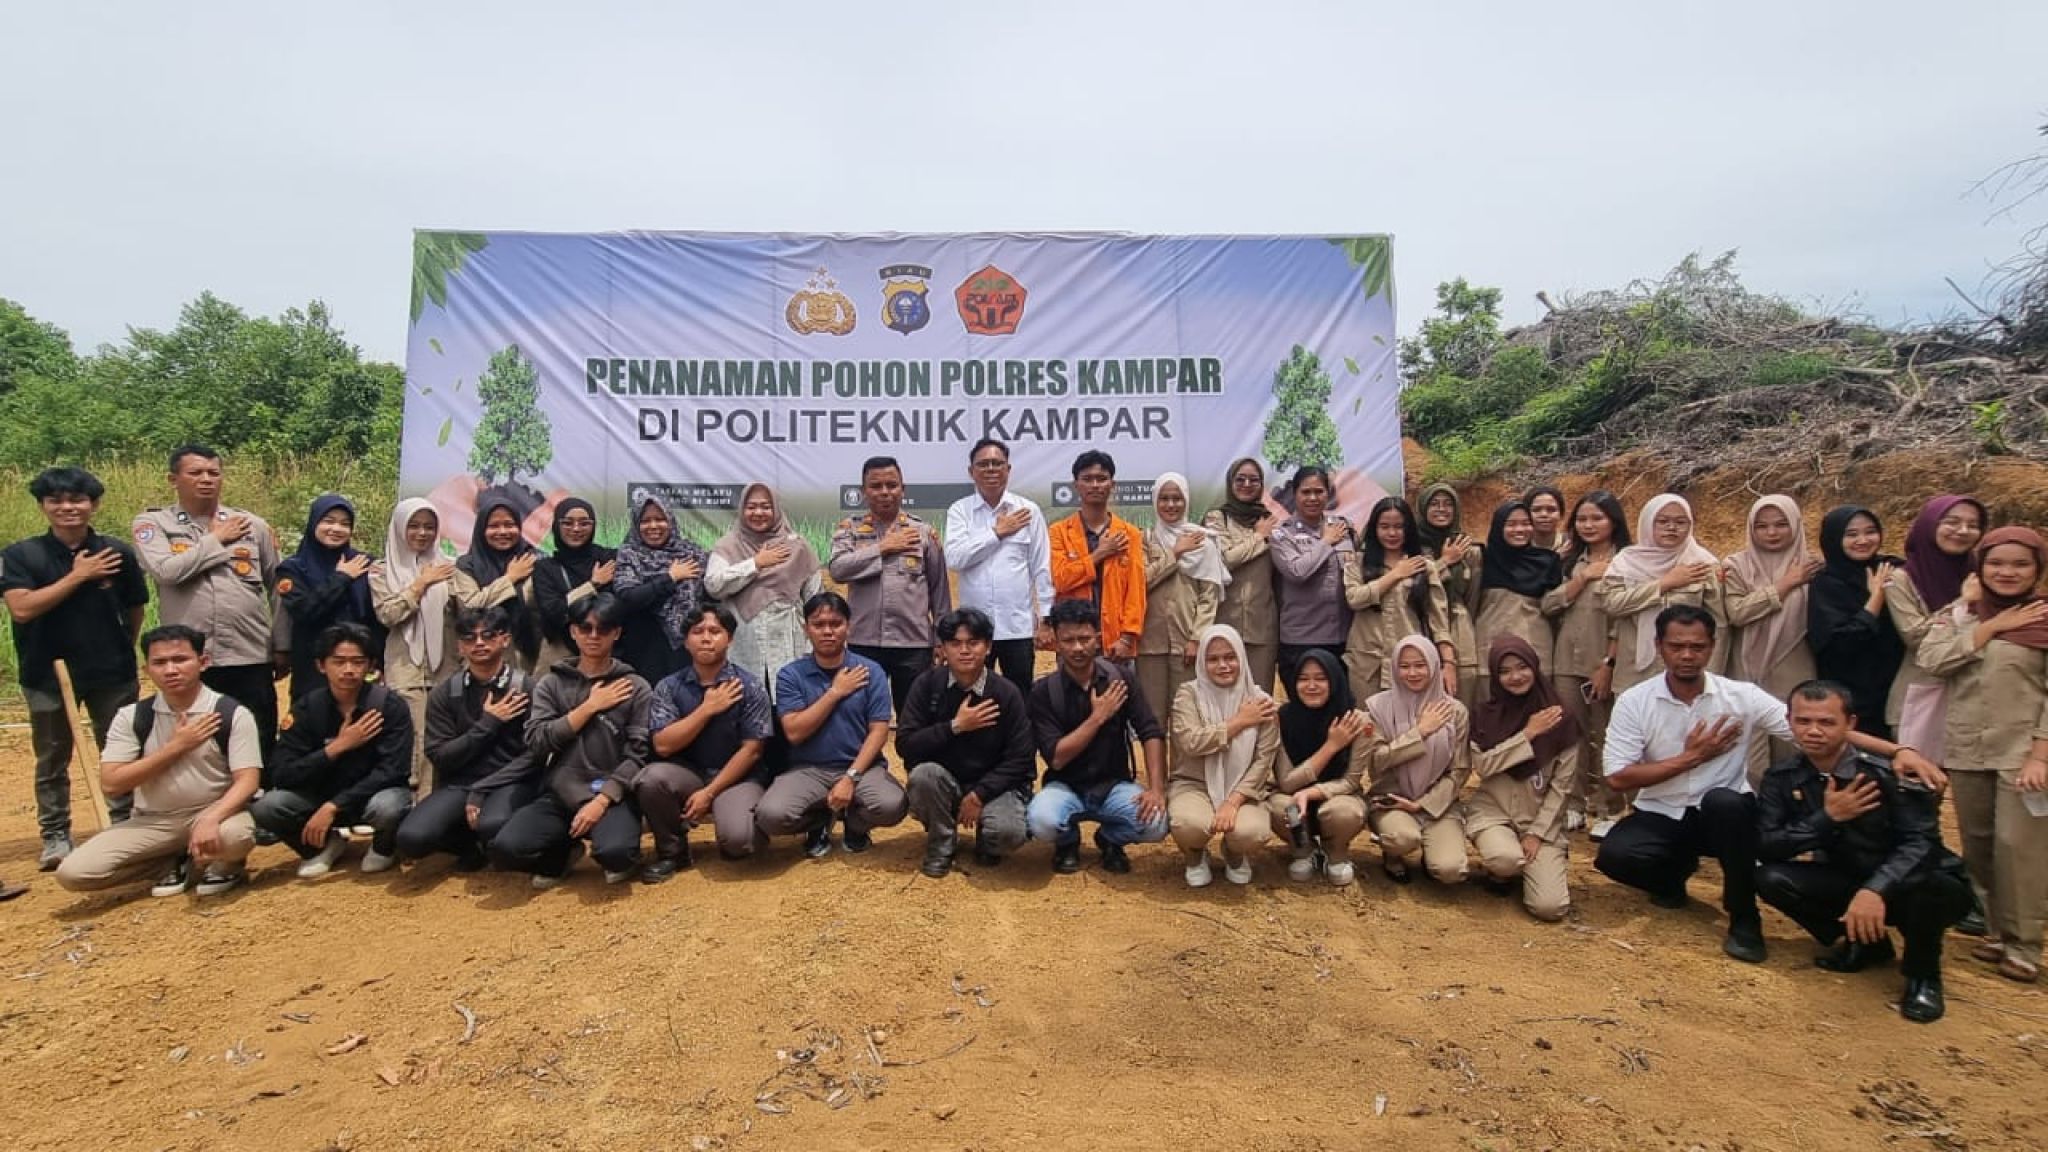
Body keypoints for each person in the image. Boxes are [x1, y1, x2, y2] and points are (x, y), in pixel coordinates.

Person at [1595, 605, 1936, 963]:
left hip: (1726, 817)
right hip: (1661, 810)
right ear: (1659, 646)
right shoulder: (1636, 701)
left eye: (1697, 646)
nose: (1687, 656)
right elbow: (1618, 777)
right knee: (1616, 856)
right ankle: (1671, 879)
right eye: (1676, 646)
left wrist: (1900, 750)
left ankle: (1744, 917)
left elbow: (1813, 731)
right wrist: (1692, 757)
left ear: (1713, 645)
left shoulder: (1741, 696)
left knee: (1725, 803)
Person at [1756, 681, 1971, 1023]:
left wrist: (1876, 889)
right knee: (1770, 879)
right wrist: (1826, 818)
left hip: (1912, 884)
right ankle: (1866, 944)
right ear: (1790, 721)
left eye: (1826, 722)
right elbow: (1768, 845)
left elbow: (1921, 844)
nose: (1814, 731)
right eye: (1804, 721)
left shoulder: (1890, 772)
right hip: (1848, 875)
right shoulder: (1783, 777)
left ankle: (1923, 976)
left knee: (1935, 887)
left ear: (1850, 724)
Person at [1916, 526, 2048, 983]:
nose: (2006, 573)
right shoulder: (1962, 614)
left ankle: (2025, 944)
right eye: (1996, 563)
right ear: (1980, 568)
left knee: (2020, 848)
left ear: (2037, 570)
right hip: (1968, 748)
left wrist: (2041, 756)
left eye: (2019, 565)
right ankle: (1996, 932)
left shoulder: (2043, 618)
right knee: (1980, 846)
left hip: (2023, 753)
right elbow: (1930, 659)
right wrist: (1988, 625)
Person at [4, 466, 148, 869]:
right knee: (52, 756)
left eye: (77, 499)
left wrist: (123, 647)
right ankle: (55, 833)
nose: (68, 507)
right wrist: (78, 575)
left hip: (110, 671)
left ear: (94, 504)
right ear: (43, 506)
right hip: (46, 673)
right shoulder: (21, 555)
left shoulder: (117, 553)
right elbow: (22, 608)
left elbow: (135, 608)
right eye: (57, 501)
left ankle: (124, 822)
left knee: (121, 749)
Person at [53, 625, 260, 899]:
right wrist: (175, 748)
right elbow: (112, 784)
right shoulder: (132, 717)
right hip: (153, 823)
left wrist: (212, 817)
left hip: (215, 813)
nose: (171, 670)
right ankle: (177, 862)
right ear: (146, 669)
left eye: (180, 660)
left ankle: (225, 863)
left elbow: (248, 781)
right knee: (74, 873)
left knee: (236, 837)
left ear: (203, 662)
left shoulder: (230, 713)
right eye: (160, 662)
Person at [131, 444, 284, 765]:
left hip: (249, 652)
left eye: (213, 473)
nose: (206, 479)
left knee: (259, 736)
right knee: (198, 740)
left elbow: (278, 586)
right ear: (173, 479)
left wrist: (282, 644)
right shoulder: (154, 525)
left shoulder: (251, 525)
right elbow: (166, 571)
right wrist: (215, 539)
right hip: (191, 659)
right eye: (195, 472)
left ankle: (260, 809)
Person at [491, 594, 654, 887]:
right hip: (559, 795)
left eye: (603, 629)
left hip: (611, 795)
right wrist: (589, 707)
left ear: (616, 633)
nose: (594, 636)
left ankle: (623, 835)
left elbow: (638, 755)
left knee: (615, 855)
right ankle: (563, 853)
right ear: (573, 632)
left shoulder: (636, 686)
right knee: (506, 849)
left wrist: (603, 799)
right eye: (585, 627)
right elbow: (538, 741)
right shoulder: (551, 684)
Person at [252, 623, 416, 878]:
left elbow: (394, 770)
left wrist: (334, 806)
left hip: (369, 796)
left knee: (392, 805)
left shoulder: (389, 706)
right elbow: (281, 772)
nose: (348, 670)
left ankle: (384, 848)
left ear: (370, 665)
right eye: (338, 662)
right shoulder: (306, 709)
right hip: (317, 796)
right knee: (268, 806)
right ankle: (322, 846)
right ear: (321, 665)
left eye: (357, 662)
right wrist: (336, 748)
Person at [1027, 598, 1170, 874]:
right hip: (1065, 786)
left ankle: (1110, 839)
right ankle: (1067, 841)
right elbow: (1056, 758)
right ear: (1055, 641)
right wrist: (1097, 718)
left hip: (1113, 785)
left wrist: (1156, 788)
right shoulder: (1044, 692)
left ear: (1098, 638)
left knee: (1157, 823)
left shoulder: (1120, 679)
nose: (1077, 647)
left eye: (1084, 638)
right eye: (1068, 640)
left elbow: (1150, 730)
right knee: (1041, 820)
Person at [761, 592, 906, 858]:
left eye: (836, 623)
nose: (828, 631)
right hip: (808, 769)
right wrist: (835, 693)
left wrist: (851, 778)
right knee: (771, 815)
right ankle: (818, 822)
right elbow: (794, 732)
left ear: (848, 627)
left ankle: (855, 825)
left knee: (892, 805)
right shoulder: (791, 675)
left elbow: (878, 731)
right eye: (818, 625)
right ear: (806, 630)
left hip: (861, 768)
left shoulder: (870, 671)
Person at [635, 604, 773, 874]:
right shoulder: (668, 687)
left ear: (730, 639)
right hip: (688, 774)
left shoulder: (750, 686)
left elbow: (752, 751)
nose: (706, 638)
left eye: (715, 631)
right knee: (649, 779)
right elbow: (662, 745)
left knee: (739, 841)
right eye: (698, 631)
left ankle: (736, 828)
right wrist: (706, 710)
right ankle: (673, 852)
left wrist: (709, 794)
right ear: (686, 641)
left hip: (738, 777)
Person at [394, 606, 535, 870]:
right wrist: (488, 724)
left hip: (510, 782)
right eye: (470, 638)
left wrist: (485, 788)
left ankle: (492, 841)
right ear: (460, 647)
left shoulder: (526, 688)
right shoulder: (445, 693)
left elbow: (535, 755)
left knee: (493, 825)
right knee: (411, 838)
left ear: (505, 639)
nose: (479, 643)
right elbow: (439, 755)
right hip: (459, 784)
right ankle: (470, 847)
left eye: (489, 635)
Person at [897, 608, 1036, 876]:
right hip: (944, 781)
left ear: (988, 647)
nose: (964, 651)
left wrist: (979, 794)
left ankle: (989, 839)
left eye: (973, 643)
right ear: (943, 649)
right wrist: (955, 727)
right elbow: (905, 744)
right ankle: (941, 842)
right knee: (923, 776)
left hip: (994, 786)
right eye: (955, 643)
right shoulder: (926, 685)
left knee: (1008, 833)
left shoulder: (1006, 692)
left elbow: (1021, 757)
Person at [1466, 636, 1582, 920]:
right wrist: (1527, 734)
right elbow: (1483, 766)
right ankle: (1504, 873)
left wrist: (1537, 833)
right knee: (1505, 860)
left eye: (1522, 667)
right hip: (1494, 811)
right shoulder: (1484, 715)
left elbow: (1561, 788)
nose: (1515, 677)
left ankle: (1544, 861)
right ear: (1495, 675)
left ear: (1534, 666)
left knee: (1550, 908)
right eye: (1504, 671)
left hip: (1540, 819)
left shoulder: (1561, 718)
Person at [829, 455, 950, 713]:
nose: (884, 492)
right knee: (861, 718)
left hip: (914, 644)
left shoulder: (923, 533)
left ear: (902, 489)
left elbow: (939, 591)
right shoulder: (849, 530)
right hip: (864, 643)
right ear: (863, 492)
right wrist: (882, 548)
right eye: (876, 486)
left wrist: (942, 638)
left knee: (914, 720)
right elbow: (838, 569)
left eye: (891, 485)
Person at [1167, 625, 1278, 887]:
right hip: (1194, 785)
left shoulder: (1261, 702)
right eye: (1213, 659)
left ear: (1241, 657)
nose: (1223, 665)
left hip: (1243, 789)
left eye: (1230, 657)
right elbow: (1191, 742)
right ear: (1202, 662)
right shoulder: (1188, 695)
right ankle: (1194, 854)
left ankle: (1235, 851)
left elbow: (1264, 760)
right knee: (1188, 824)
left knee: (1252, 832)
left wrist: (1233, 801)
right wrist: (1238, 723)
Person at [1544, 490, 1628, 836]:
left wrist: (1608, 662)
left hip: (1605, 661)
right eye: (1582, 519)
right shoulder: (1567, 560)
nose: (1589, 525)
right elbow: (1547, 604)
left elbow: (1624, 618)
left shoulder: (1627, 561)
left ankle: (1609, 807)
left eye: (1597, 518)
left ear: (1613, 522)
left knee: (1607, 734)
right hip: (1566, 659)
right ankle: (1574, 803)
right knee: (1571, 735)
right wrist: (1581, 578)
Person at [1722, 495, 1822, 784]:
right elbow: (1737, 612)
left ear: (1796, 526)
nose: (1772, 533)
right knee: (1748, 759)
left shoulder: (1813, 567)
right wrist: (1786, 584)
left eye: (1781, 525)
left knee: (1794, 750)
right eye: (1762, 526)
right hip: (1745, 672)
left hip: (1795, 668)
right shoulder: (1736, 566)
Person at [945, 438, 1055, 698]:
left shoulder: (1028, 511)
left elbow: (1042, 566)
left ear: (1008, 469)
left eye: (997, 463)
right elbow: (955, 558)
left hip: (1017, 626)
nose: (991, 469)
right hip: (973, 631)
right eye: (983, 464)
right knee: (972, 698)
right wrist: (997, 532)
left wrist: (1047, 619)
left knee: (1019, 697)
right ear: (971, 471)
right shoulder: (960, 511)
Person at [1361, 636, 1470, 885]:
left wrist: (1422, 804)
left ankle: (1432, 851)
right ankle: (1392, 854)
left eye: (1420, 665)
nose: (1412, 673)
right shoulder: (1377, 708)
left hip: (1438, 804)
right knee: (1401, 838)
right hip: (1391, 798)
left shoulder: (1455, 711)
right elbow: (1377, 762)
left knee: (1450, 870)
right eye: (1405, 666)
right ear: (1395, 668)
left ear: (1433, 665)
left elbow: (1460, 770)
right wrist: (1419, 732)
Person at [1887, 495, 1987, 759]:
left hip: (1974, 694)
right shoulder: (1902, 579)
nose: (1963, 531)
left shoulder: (1986, 573)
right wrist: (1963, 602)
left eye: (1973, 524)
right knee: (1920, 787)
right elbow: (1916, 637)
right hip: (1923, 693)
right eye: (1952, 522)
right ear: (1930, 525)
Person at [372, 497, 461, 792]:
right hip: (405, 671)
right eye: (414, 526)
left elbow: (465, 614)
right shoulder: (381, 571)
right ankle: (411, 809)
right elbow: (388, 614)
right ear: (399, 528)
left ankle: (436, 813)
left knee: (444, 740)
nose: (422, 533)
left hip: (446, 670)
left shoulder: (449, 567)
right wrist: (420, 584)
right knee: (414, 742)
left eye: (429, 527)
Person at [1598, 494, 1727, 697]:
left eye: (1680, 522)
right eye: (1663, 521)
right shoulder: (1626, 562)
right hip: (1634, 672)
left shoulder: (1702, 564)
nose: (1672, 528)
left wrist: (1711, 673)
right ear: (1648, 523)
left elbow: (1718, 624)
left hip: (1688, 672)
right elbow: (1612, 605)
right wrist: (1664, 584)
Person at [1268, 649, 1374, 885]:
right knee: (1279, 808)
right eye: (1303, 679)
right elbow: (1286, 781)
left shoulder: (1357, 721)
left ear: (1335, 679)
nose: (1311, 686)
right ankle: (1303, 850)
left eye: (1321, 678)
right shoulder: (1282, 718)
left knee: (1344, 813)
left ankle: (1335, 851)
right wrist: (1331, 747)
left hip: (1339, 796)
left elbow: (1351, 781)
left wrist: (1310, 792)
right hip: (1294, 798)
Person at [707, 482, 823, 690]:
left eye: (766, 507)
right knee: (747, 706)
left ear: (776, 509)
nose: (758, 513)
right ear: (742, 510)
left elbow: (815, 600)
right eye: (751, 507)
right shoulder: (728, 545)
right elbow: (714, 586)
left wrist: (810, 647)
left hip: (789, 645)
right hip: (744, 644)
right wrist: (755, 563)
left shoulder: (798, 547)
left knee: (788, 707)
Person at [1138, 472, 1223, 749]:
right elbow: (1140, 582)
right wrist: (1174, 554)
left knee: (1186, 716)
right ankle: (1157, 783)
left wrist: (1198, 637)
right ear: (1155, 501)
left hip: (1188, 642)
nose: (1171, 505)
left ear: (1186, 501)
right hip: (1149, 643)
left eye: (1177, 498)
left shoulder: (1202, 541)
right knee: (1153, 719)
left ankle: (1183, 782)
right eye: (1164, 498)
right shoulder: (1145, 539)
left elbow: (1209, 596)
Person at [1805, 506, 1905, 741]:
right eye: (1851, 534)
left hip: (1897, 687)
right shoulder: (1827, 584)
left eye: (1870, 532)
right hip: (1852, 694)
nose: (1862, 540)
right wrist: (1875, 600)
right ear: (1834, 538)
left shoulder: (1893, 568)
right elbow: (1838, 646)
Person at [278, 494, 382, 704]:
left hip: (359, 667)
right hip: (313, 668)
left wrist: (377, 660)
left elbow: (377, 617)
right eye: (328, 521)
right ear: (314, 522)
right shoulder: (293, 568)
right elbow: (304, 611)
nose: (336, 529)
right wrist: (341, 578)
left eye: (345, 524)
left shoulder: (363, 563)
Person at [1345, 496, 1450, 703]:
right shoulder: (1357, 562)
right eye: (1384, 526)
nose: (1392, 533)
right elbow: (1354, 599)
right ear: (1374, 528)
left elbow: (1439, 620)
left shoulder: (1424, 566)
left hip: (1411, 664)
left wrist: (1449, 663)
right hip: (1367, 664)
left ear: (1408, 529)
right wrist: (1395, 574)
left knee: (1412, 722)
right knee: (1369, 725)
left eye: (1399, 527)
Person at [1050, 450, 1146, 667]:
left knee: (1118, 698)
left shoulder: (1129, 534)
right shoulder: (1059, 532)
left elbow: (1136, 591)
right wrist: (1099, 554)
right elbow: (1060, 579)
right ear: (1076, 485)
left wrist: (1127, 638)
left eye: (1101, 479)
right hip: (1073, 641)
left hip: (1115, 644)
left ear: (1113, 485)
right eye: (1087, 479)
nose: (1095, 485)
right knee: (1071, 700)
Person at [1269, 466, 1355, 690]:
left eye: (1319, 491)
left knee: (1341, 714)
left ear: (1328, 493)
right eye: (1305, 492)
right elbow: (1297, 571)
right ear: (1294, 495)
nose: (1313, 498)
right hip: (1301, 640)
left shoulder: (1343, 529)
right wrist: (1326, 542)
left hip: (1342, 639)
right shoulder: (1282, 534)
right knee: (1306, 714)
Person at [608, 491, 707, 686]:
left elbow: (709, 597)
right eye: (645, 521)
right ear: (637, 524)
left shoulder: (692, 554)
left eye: (660, 519)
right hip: (643, 651)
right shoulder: (629, 554)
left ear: (670, 521)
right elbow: (628, 598)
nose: (653, 526)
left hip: (685, 652)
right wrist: (670, 578)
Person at [1202, 457, 1280, 694]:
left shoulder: (1270, 521)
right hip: (1224, 621)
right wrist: (1258, 538)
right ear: (1230, 482)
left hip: (1262, 624)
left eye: (1254, 480)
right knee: (1223, 697)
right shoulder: (1217, 518)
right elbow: (1224, 559)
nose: (1247, 484)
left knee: (1260, 695)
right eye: (1240, 479)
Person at [1476, 500, 1563, 703]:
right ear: (1499, 526)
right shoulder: (1481, 560)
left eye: (1525, 523)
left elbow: (1555, 610)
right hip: (1490, 651)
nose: (1520, 529)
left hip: (1536, 651)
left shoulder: (1548, 561)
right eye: (1511, 524)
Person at [452, 495, 543, 674]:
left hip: (531, 660)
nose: (502, 531)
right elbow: (471, 606)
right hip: (481, 663)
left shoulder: (535, 560)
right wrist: (510, 578)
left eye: (509, 524)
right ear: (481, 529)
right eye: (493, 526)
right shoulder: (467, 565)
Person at [532, 498, 615, 672]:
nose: (576, 529)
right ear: (557, 526)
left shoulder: (608, 559)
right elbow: (552, 611)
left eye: (584, 523)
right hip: (560, 654)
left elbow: (616, 607)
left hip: (606, 654)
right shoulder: (545, 568)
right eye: (567, 523)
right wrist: (592, 585)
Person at [1416, 483, 1481, 702]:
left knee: (1463, 694)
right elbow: (1415, 587)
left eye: (1447, 504)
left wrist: (1461, 618)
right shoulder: (1411, 544)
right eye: (1434, 504)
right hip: (1420, 622)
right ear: (1424, 509)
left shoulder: (1468, 548)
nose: (1441, 509)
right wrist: (1444, 562)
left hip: (1459, 627)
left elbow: (1474, 597)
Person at [1523, 485, 1568, 553]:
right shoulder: (1517, 546)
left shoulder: (1571, 547)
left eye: (1551, 509)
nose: (1544, 514)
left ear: (1561, 514)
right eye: (1536, 510)